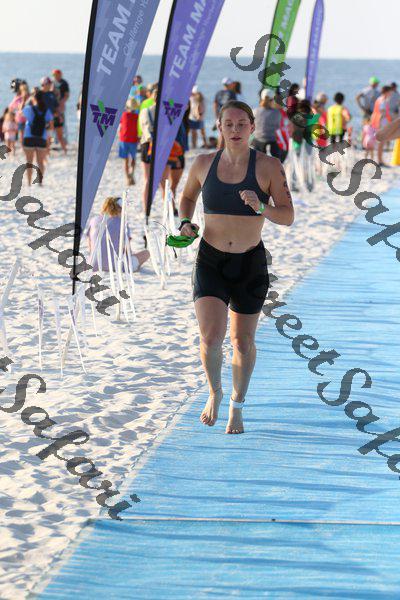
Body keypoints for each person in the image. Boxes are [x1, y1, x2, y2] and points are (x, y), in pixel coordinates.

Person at [177, 100, 294, 434]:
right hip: (210, 260)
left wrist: (261, 207)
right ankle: (214, 391)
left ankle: (237, 404)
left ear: (252, 127)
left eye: (242, 124)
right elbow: (187, 198)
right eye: (228, 124)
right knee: (210, 337)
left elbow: (288, 215)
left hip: (249, 264)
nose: (235, 129)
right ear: (219, 127)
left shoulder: (269, 166)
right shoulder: (203, 163)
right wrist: (185, 222)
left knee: (242, 342)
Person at [86, 196, 150, 272]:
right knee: (146, 253)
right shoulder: (122, 223)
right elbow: (127, 249)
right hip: (116, 266)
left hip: (93, 265)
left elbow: (90, 246)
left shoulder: (94, 220)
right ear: (120, 209)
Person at [138, 87, 170, 215]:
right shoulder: (167, 113)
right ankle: (166, 209)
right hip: (163, 146)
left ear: (153, 97)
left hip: (147, 145)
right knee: (164, 181)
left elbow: (144, 128)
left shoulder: (145, 111)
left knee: (147, 179)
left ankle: (146, 209)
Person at [22, 90, 53, 185]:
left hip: (29, 137)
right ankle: (40, 182)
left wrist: (25, 99)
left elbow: (21, 112)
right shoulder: (47, 111)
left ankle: (29, 183)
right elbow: (51, 127)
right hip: (41, 137)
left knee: (29, 162)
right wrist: (49, 139)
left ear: (34, 98)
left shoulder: (29, 108)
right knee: (40, 162)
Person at [251, 89, 282, 160]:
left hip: (258, 143)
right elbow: (278, 127)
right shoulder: (277, 113)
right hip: (272, 144)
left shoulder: (254, 111)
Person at [118, 98, 139, 186]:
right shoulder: (137, 116)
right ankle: (132, 174)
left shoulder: (123, 115)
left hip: (124, 139)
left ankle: (128, 178)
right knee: (133, 159)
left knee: (126, 160)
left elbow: (120, 126)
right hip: (133, 140)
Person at [371, 85, 393, 166]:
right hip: (381, 123)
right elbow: (382, 113)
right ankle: (380, 161)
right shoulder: (383, 100)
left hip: (378, 122)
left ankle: (380, 160)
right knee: (381, 143)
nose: (391, 93)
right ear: (387, 92)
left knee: (380, 142)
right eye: (390, 92)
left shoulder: (379, 99)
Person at [52, 69, 69, 152]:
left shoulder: (64, 83)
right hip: (53, 106)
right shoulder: (52, 82)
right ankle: (55, 142)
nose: (55, 76)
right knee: (52, 125)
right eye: (54, 75)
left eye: (57, 74)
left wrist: (62, 103)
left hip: (60, 106)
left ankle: (64, 143)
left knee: (61, 124)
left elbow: (66, 95)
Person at [8, 81, 30, 145]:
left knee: (25, 134)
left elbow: (11, 107)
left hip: (26, 119)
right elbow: (11, 107)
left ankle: (25, 146)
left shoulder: (29, 98)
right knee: (22, 134)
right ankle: (23, 146)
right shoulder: (19, 98)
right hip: (22, 119)